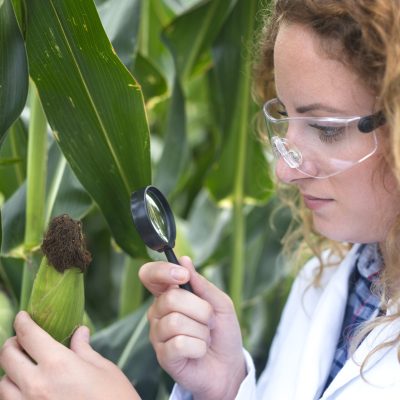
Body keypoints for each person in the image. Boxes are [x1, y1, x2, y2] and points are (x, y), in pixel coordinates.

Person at [1, 0, 400, 399]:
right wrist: (225, 386)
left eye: (325, 129)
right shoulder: (334, 272)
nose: (284, 171)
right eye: (283, 116)